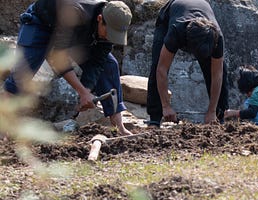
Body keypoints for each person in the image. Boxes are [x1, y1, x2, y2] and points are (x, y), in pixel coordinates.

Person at [3, 0, 133, 135]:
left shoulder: (108, 25)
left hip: (79, 32)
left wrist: (87, 90)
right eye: (108, 32)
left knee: (109, 65)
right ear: (100, 19)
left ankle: (120, 127)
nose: (109, 37)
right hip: (42, 23)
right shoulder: (75, 12)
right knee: (21, 75)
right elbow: (58, 57)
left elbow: (97, 62)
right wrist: (82, 92)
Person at [147, 0, 229, 127]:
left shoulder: (217, 37)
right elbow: (161, 69)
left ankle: (218, 117)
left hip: (201, 14)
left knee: (220, 69)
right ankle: (155, 118)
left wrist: (212, 111)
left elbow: (217, 74)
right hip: (170, 14)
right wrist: (166, 105)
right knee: (157, 62)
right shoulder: (176, 31)